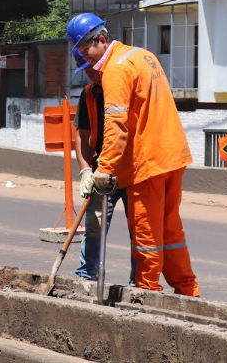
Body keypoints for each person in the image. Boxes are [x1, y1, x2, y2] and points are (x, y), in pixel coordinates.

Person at [67, 12, 199, 296]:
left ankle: (146, 290)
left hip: (147, 161)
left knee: (146, 232)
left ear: (101, 40)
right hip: (171, 156)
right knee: (169, 228)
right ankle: (187, 288)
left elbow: (116, 123)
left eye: (85, 52)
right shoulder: (142, 56)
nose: (86, 61)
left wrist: (104, 169)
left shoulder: (115, 68)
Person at [72, 48, 133, 284]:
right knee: (94, 224)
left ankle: (138, 281)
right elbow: (82, 136)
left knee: (138, 228)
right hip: (101, 169)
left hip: (131, 168)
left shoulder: (121, 85)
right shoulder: (88, 94)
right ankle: (88, 273)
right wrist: (86, 170)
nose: (91, 74)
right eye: (85, 71)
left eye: (92, 69)